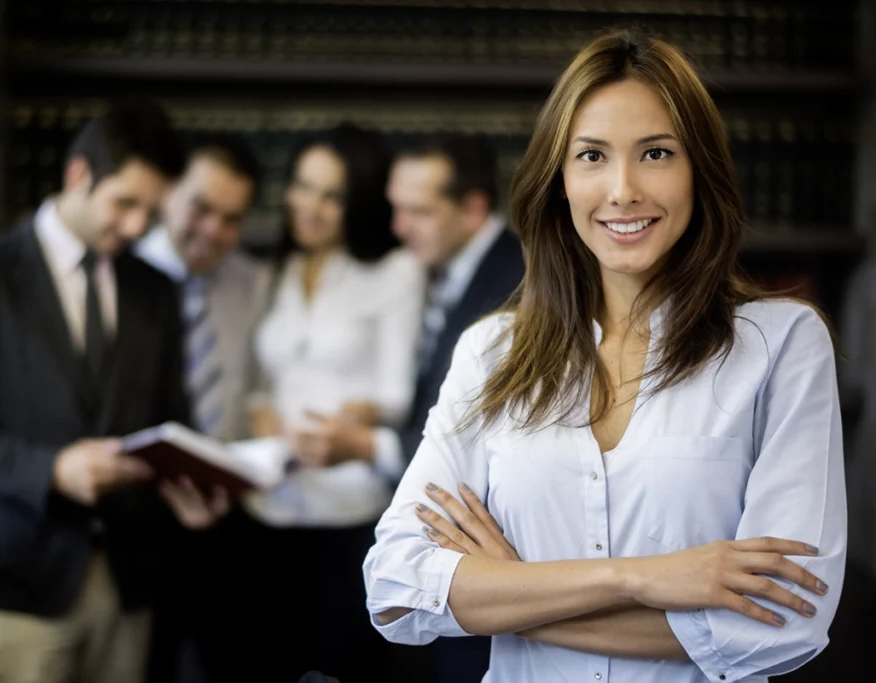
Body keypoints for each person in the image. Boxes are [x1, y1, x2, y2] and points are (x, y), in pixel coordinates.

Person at [363, 30, 846, 683]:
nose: (622, 189)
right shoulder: (492, 352)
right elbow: (395, 582)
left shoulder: (782, 345)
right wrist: (646, 577)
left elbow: (782, 621)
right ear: (559, 180)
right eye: (592, 155)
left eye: (655, 153)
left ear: (699, 169)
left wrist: (507, 590)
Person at [0, 101, 228, 683]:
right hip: (22, 576)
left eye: (150, 213)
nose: (135, 228)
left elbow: (170, 417)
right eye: (124, 204)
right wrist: (51, 469)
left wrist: (197, 481)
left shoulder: (155, 289)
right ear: (78, 175)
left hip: (131, 579)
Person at [294, 132, 525, 682]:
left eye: (418, 212)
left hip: (486, 562)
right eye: (396, 209)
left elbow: (480, 438)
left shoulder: (515, 283)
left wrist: (364, 444)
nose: (399, 228)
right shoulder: (446, 272)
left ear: (472, 208)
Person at [238, 122, 426, 683]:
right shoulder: (282, 267)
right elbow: (266, 374)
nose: (310, 207)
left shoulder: (396, 271)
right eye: (302, 186)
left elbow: (397, 394)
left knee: (343, 668)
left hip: (348, 510)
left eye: (332, 195)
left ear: (359, 202)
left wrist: (346, 424)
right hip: (270, 501)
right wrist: (261, 411)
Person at [134, 133, 272, 682]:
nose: (213, 231)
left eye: (231, 219)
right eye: (201, 208)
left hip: (229, 521)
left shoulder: (253, 282)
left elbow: (258, 387)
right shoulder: (123, 274)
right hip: (141, 521)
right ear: (169, 193)